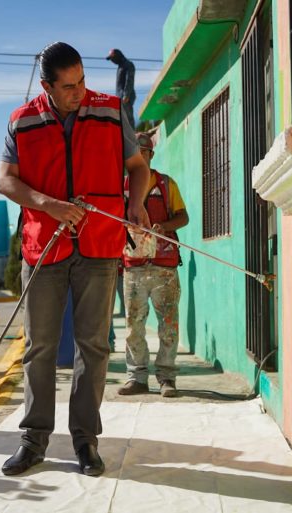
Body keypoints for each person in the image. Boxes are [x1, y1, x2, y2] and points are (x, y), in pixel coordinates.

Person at [0, 41, 151, 477]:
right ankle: (33, 441)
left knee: (94, 346)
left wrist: (136, 205)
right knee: (40, 347)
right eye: (68, 86)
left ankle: (86, 441)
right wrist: (48, 204)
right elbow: (5, 181)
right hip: (43, 247)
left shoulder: (109, 110)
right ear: (47, 86)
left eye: (83, 80)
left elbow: (137, 167)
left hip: (100, 245)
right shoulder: (21, 120)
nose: (79, 91)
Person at [118, 132, 189, 398]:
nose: (138, 157)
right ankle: (136, 377)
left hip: (164, 268)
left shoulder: (167, 185)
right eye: (134, 153)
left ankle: (166, 378)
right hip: (133, 267)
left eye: (143, 152)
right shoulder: (120, 187)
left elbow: (184, 217)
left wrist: (164, 227)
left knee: (168, 323)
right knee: (133, 324)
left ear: (150, 155)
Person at [106, 48, 136, 126]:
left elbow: (129, 79)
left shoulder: (128, 64)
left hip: (125, 97)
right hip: (120, 98)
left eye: (113, 58)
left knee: (128, 119)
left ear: (118, 56)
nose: (112, 61)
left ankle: (131, 136)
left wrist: (126, 94)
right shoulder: (120, 66)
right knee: (122, 121)